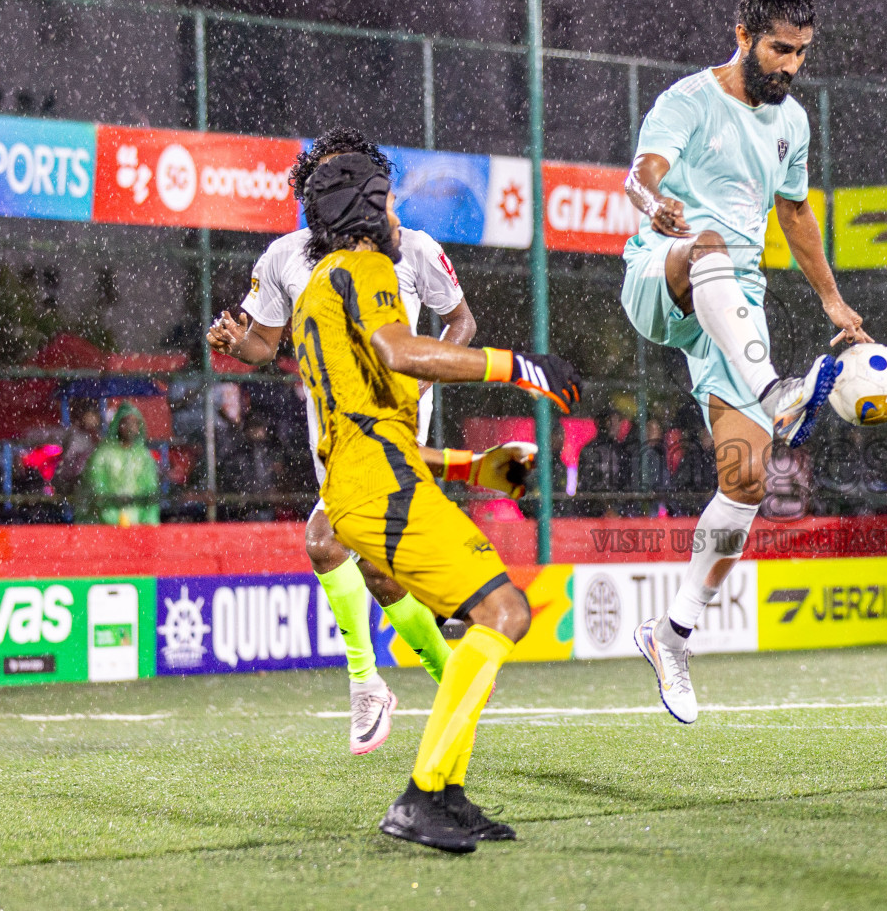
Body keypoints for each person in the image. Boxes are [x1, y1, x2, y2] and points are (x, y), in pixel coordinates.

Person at [291, 151, 581, 851]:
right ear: (363, 211)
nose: (397, 217)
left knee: (490, 617)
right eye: (388, 203)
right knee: (503, 612)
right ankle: (423, 796)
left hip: (369, 484)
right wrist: (518, 366)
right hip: (380, 490)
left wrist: (474, 469)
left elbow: (372, 433)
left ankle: (445, 792)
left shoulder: (317, 295)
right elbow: (403, 353)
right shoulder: (364, 270)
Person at [620, 0, 873, 724]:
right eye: (779, 50)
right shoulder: (688, 101)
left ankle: (671, 634)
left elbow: (795, 215)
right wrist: (655, 203)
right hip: (665, 275)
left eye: (802, 52)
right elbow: (640, 175)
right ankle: (776, 392)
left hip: (742, 308)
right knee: (709, 246)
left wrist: (831, 299)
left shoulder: (792, 121)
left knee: (749, 479)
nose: (791, 67)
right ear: (743, 37)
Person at [207, 128, 476, 755]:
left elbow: (460, 319)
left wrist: (432, 359)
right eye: (323, 179)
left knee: (325, 541)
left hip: (395, 426)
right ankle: (451, 675)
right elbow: (262, 346)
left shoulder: (412, 250)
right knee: (381, 574)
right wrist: (232, 343)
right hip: (330, 431)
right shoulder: (285, 259)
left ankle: (366, 685)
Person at [75, 402, 160, 526]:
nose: (131, 427)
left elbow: (151, 492)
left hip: (138, 526)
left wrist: (149, 525)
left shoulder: (144, 456)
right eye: (126, 422)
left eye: (135, 423)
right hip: (106, 525)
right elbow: (97, 489)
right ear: (118, 425)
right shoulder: (103, 455)